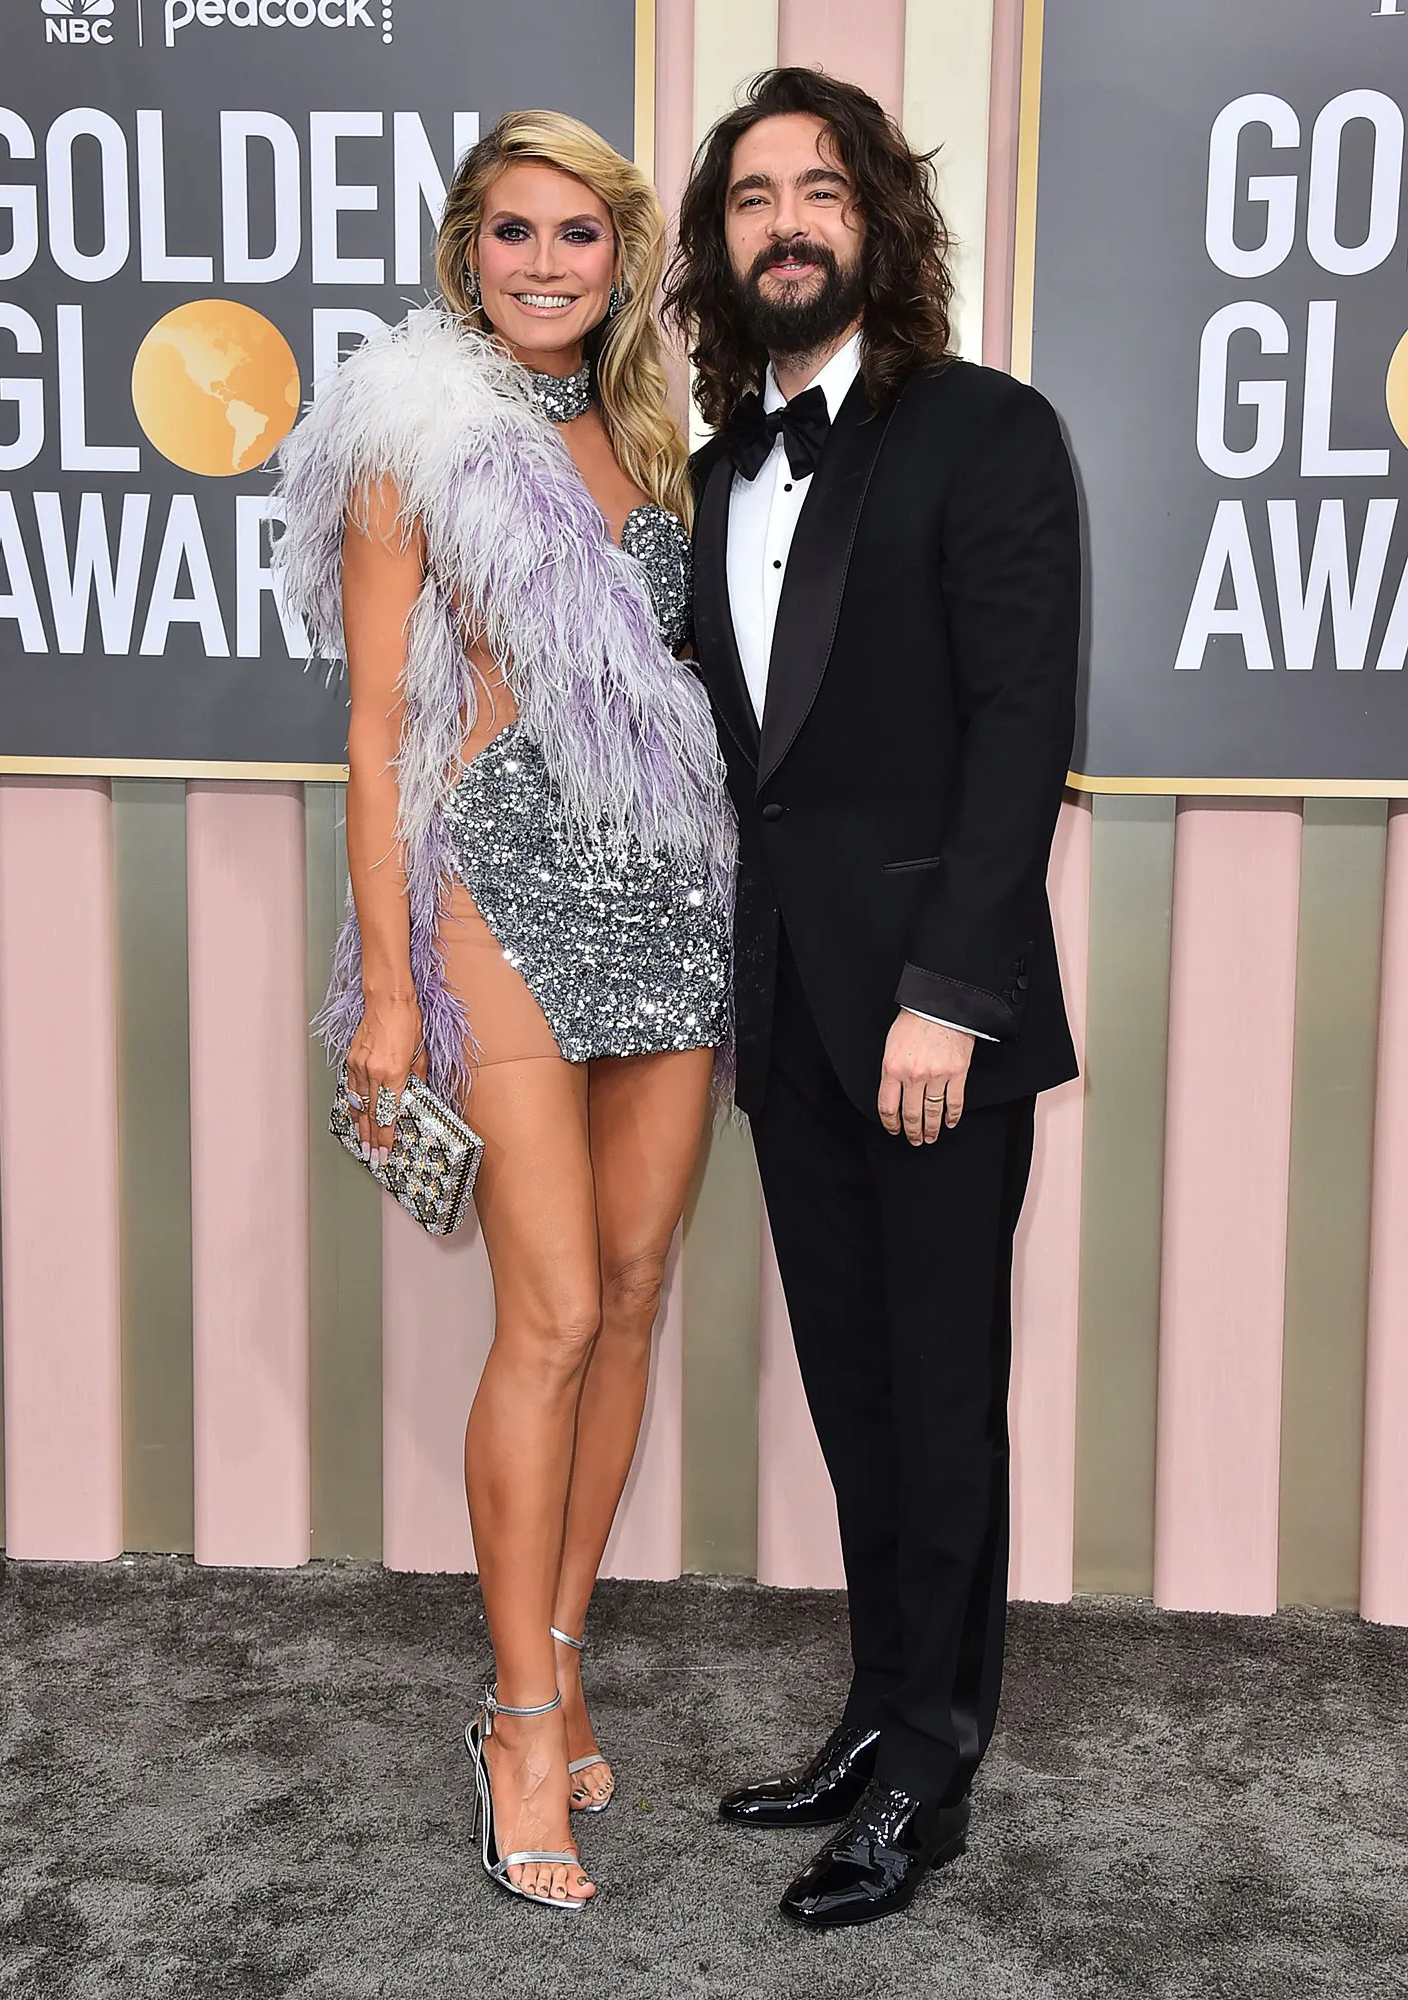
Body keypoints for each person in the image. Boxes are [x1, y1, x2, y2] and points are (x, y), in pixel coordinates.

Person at [276, 110, 734, 1913]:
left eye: (579, 237)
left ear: (619, 257)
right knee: (543, 1313)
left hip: (667, 904)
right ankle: (520, 1721)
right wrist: (388, 986)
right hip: (494, 904)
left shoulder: (651, 431)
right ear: (468, 250)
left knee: (629, 1297)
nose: (546, 265)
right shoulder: (417, 437)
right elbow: (377, 730)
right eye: (513, 235)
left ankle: (559, 1635)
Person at [666, 67, 1081, 1929]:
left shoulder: (984, 433)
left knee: (943, 1393)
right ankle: (874, 1710)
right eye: (750, 197)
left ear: (877, 223)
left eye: (817, 189)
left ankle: (935, 1764)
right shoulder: (713, 468)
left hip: (929, 1020)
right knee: (854, 1394)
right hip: (788, 1021)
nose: (784, 223)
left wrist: (950, 994)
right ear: (718, 244)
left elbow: (1020, 740)